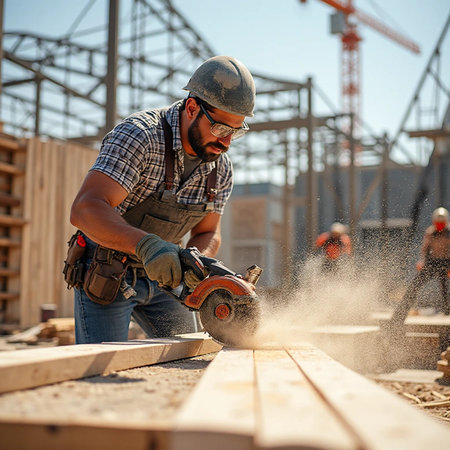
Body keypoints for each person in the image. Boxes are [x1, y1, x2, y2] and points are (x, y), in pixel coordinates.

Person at [66, 55, 256, 344]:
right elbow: (85, 209)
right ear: (192, 107)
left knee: (189, 358)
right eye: (220, 129)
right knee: (100, 370)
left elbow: (208, 231)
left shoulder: (220, 168)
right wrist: (147, 246)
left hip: (170, 281)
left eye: (236, 131)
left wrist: (195, 261)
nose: (226, 142)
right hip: (107, 272)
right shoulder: (140, 136)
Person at [390, 207, 450, 327]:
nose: (439, 226)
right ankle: (400, 314)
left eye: (441, 224)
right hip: (432, 263)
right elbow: (425, 250)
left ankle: (447, 311)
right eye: (437, 223)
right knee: (415, 286)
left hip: (446, 263)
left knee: (445, 290)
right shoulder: (430, 232)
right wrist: (422, 262)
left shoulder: (449, 233)